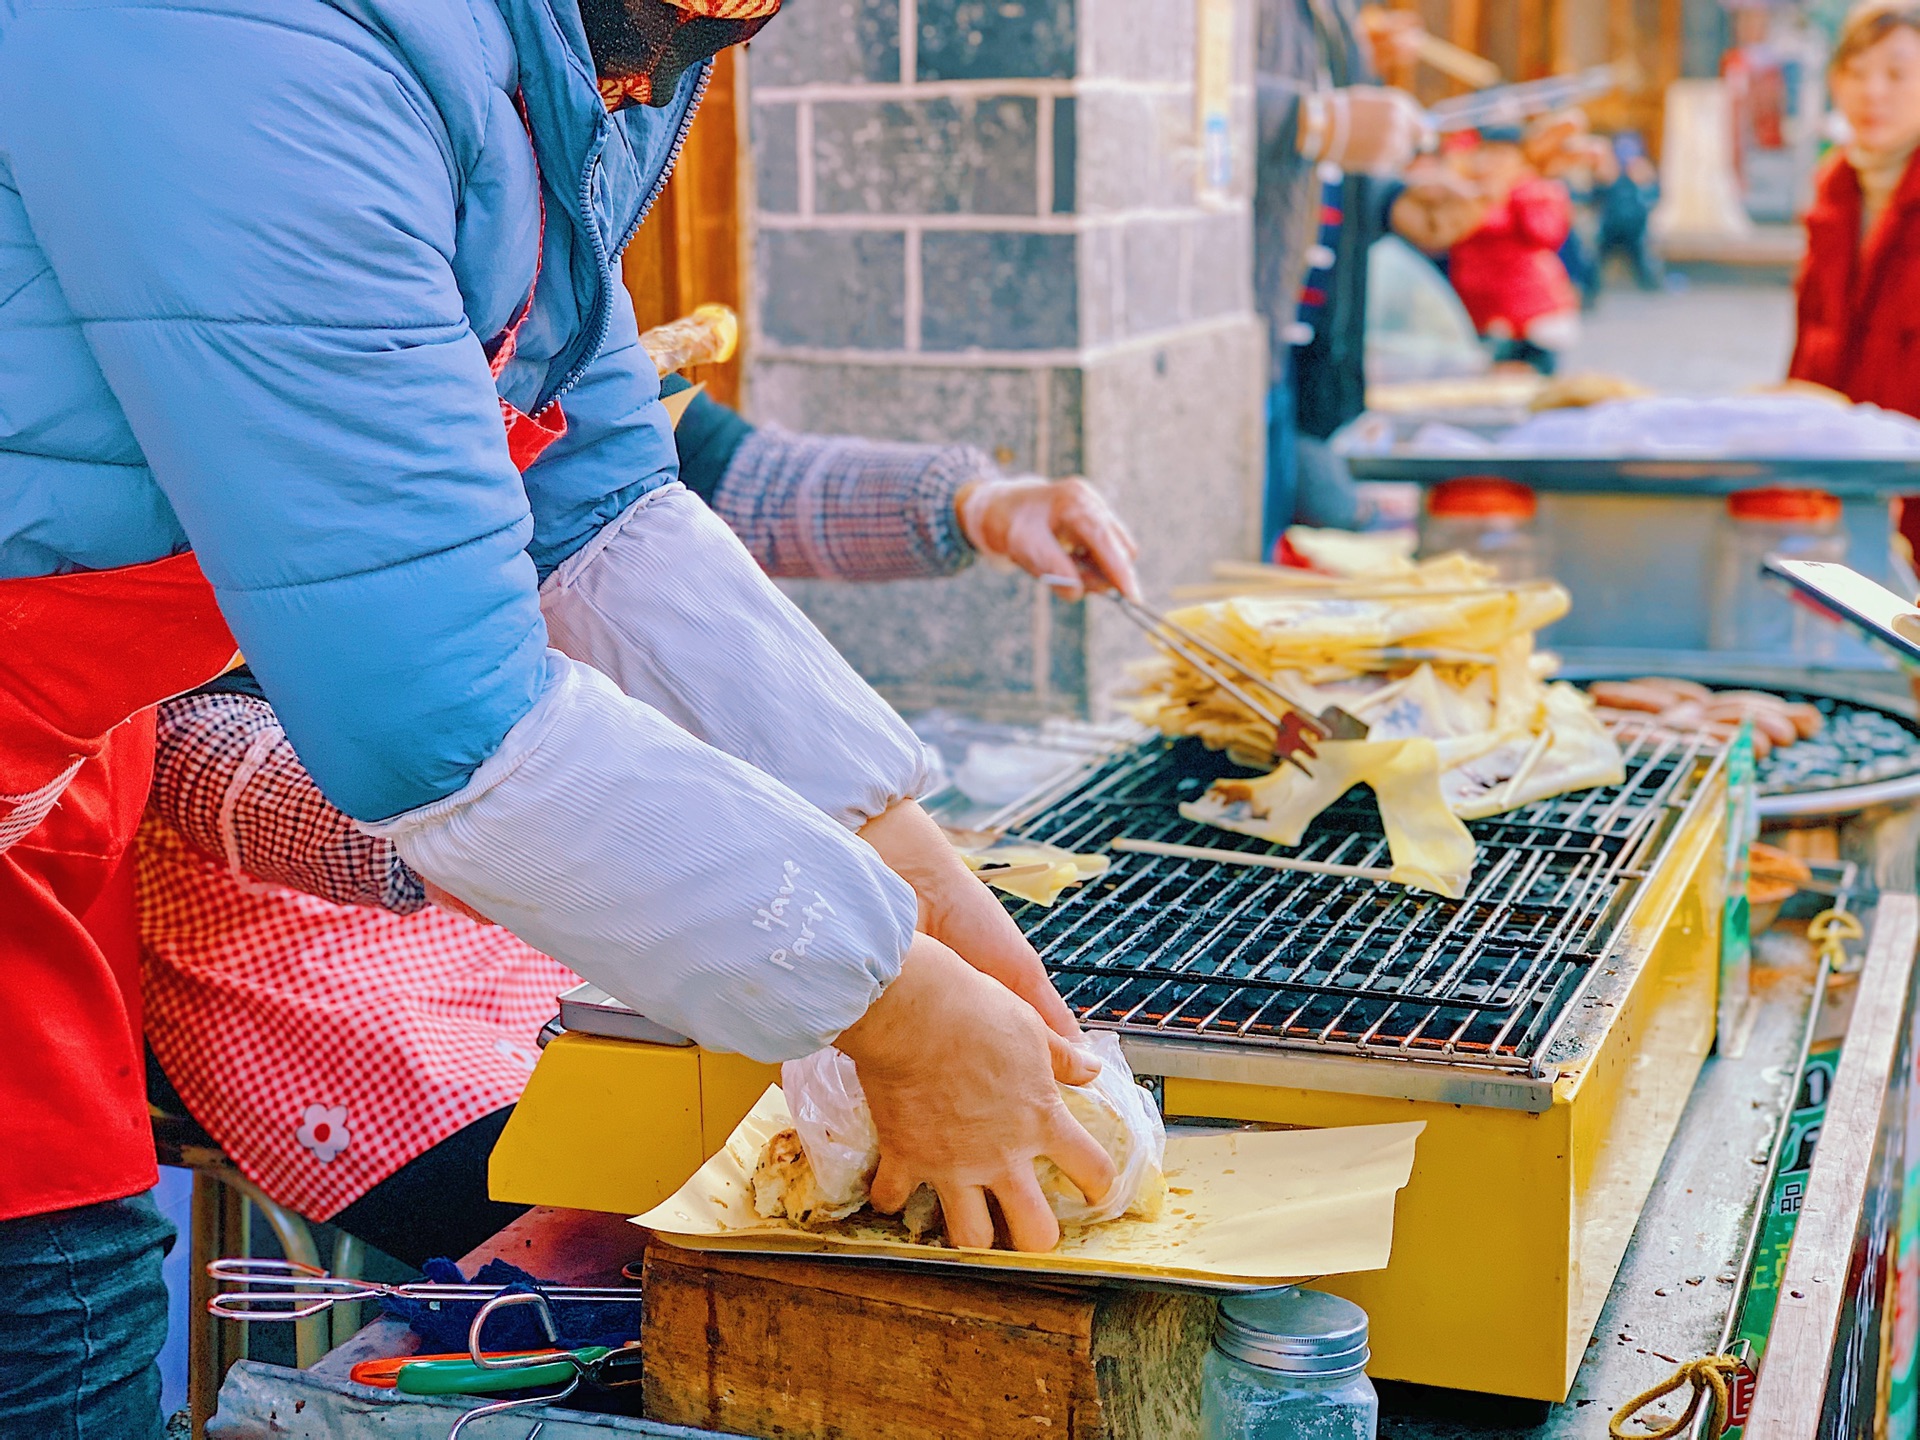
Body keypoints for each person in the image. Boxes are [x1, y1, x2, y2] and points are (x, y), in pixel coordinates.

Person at [0, 5, 1118, 1434]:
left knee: (69, 1317)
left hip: (51, 779)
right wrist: (901, 1014)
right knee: (58, 1350)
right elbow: (437, 710)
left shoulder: (614, 54)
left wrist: (930, 891)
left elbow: (596, 507)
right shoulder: (252, 41)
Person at [138, 393, 1140, 1266]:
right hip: (311, 948)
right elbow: (178, 736)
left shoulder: (528, 284)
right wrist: (476, 825)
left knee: (709, 1147)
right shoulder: (244, 372)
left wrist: (975, 503)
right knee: (607, 1223)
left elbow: (634, 499)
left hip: (557, 862)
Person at [1786, 0, 1920, 568]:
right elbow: (1807, 355)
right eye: (1856, 72)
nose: (1873, 93)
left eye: (1896, 73)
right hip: (1837, 505)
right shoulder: (1835, 193)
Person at [1444, 126, 1582, 374]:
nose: (1493, 161)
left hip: (1528, 310)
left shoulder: (1533, 190)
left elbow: (1548, 235)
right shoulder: (1464, 189)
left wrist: (1514, 196)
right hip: (1478, 308)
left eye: (1502, 154)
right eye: (1488, 153)